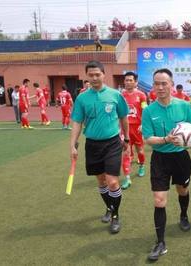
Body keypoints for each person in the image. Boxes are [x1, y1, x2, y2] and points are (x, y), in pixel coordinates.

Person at [142, 68, 191, 261]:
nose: (160, 87)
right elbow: (148, 138)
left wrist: (190, 138)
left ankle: (183, 215)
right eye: (156, 83)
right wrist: (166, 139)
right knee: (159, 200)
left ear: (172, 85)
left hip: (181, 157)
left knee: (182, 190)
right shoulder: (149, 111)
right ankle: (160, 242)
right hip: (160, 159)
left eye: (164, 83)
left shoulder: (184, 106)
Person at [70, 60, 130, 234]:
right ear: (86, 76)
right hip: (92, 145)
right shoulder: (82, 98)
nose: (95, 78)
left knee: (112, 181)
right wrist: (73, 145)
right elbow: (77, 122)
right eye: (91, 75)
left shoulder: (115, 95)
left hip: (112, 143)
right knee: (101, 181)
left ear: (104, 75)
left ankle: (115, 216)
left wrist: (126, 138)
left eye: (98, 74)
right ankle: (109, 207)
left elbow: (124, 118)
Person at [120, 71, 148, 190]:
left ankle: (141, 165)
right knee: (125, 153)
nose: (128, 82)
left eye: (131, 80)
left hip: (137, 128)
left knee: (140, 151)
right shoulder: (120, 95)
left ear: (135, 82)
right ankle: (127, 178)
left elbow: (145, 111)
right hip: (124, 128)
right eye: (126, 80)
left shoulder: (141, 95)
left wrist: (144, 125)